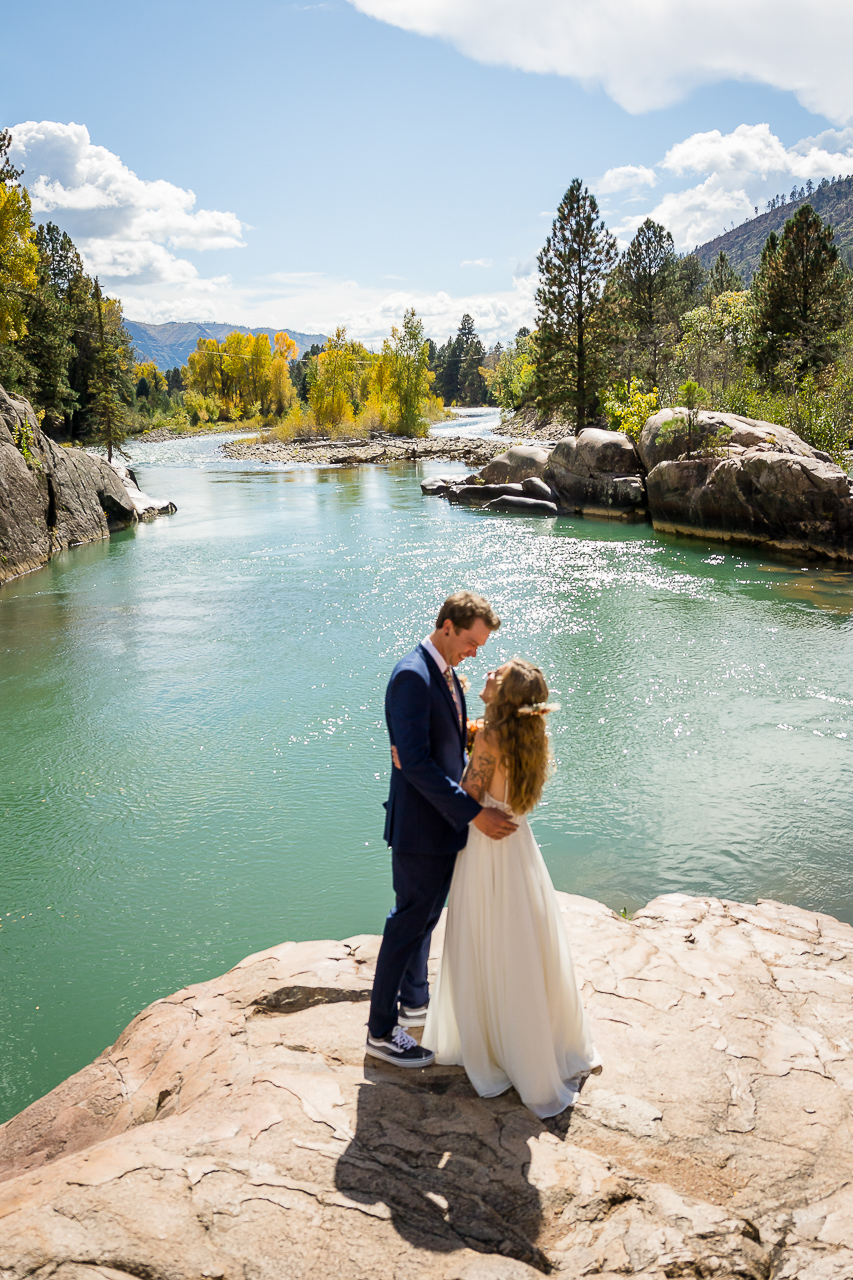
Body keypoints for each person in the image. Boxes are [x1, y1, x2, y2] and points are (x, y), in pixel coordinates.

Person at [422, 658, 601, 1117]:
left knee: (488, 941)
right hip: (518, 844)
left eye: (495, 677)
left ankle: (494, 1047)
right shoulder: (531, 735)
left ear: (505, 698)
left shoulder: (491, 738)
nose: (487, 676)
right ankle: (531, 1042)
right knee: (521, 942)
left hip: (487, 849)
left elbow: (469, 795)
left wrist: (421, 762)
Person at [366, 591, 517, 1068]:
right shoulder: (412, 675)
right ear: (447, 626)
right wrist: (473, 813)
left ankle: (414, 1002)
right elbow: (414, 761)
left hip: (439, 824)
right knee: (408, 922)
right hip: (420, 826)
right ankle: (381, 1031)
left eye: (480, 646)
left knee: (426, 920)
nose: (474, 652)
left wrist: (476, 735)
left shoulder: (445, 671)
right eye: (471, 642)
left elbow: (437, 741)